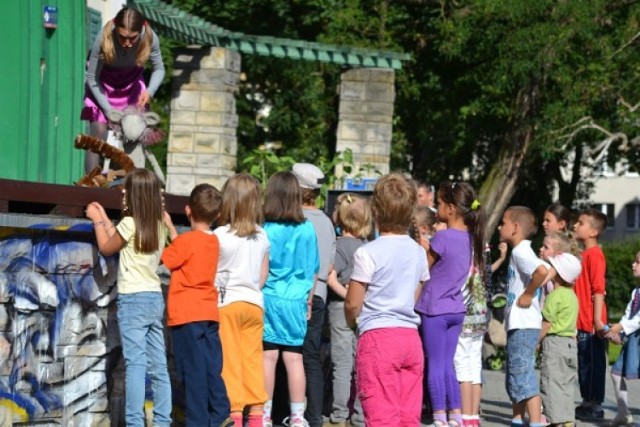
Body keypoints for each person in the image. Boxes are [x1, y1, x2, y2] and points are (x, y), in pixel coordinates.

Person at [85, 168, 171, 427]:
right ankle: (162, 421)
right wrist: (103, 217)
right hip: (154, 298)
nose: (122, 196)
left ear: (134, 196)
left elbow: (107, 246)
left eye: (125, 192)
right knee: (159, 365)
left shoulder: (130, 223)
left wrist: (96, 220)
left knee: (135, 364)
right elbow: (120, 238)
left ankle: (134, 422)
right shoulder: (157, 224)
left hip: (132, 300)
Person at [345, 173, 429, 426]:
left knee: (382, 416)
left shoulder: (368, 253)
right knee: (408, 417)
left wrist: (353, 323)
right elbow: (418, 289)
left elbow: (352, 303)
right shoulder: (418, 251)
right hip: (410, 338)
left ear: (376, 210)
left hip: (378, 338)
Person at [161, 184, 233, 427]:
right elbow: (185, 251)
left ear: (188, 210)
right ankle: (221, 413)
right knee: (210, 366)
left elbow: (168, 258)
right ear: (217, 215)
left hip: (185, 315)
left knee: (191, 372)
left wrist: (167, 228)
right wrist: (172, 229)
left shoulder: (186, 242)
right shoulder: (213, 242)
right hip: (208, 314)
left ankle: (198, 422)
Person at [415, 181, 486, 427]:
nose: (437, 209)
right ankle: (456, 415)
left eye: (440, 205)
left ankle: (438, 416)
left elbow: (424, 268)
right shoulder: (470, 238)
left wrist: (423, 246)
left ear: (452, 208)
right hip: (457, 309)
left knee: (435, 364)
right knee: (448, 364)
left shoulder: (443, 237)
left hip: (435, 308)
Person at [262, 171, 319, 427]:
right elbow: (313, 269)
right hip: (297, 300)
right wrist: (308, 300)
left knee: (268, 358)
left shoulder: (266, 229)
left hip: (270, 297)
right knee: (295, 359)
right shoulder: (307, 228)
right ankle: (297, 416)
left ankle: (263, 414)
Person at [213, 174, 271, 427]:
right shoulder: (262, 235)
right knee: (252, 359)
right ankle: (256, 414)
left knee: (231, 361)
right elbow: (263, 273)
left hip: (227, 304)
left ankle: (235, 415)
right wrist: (251, 288)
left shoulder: (220, 235)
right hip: (254, 303)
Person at [81, 7, 165, 172]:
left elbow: (159, 69)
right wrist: (108, 110)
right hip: (102, 87)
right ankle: (90, 187)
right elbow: (91, 78)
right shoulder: (103, 37)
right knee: (97, 133)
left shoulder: (150, 38)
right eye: (122, 37)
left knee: (132, 134)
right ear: (115, 29)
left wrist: (150, 91)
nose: (127, 44)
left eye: (132, 38)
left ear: (140, 31)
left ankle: (124, 187)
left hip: (132, 86)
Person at [291, 162, 336, 427]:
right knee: (311, 356)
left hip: (295, 293)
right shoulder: (327, 222)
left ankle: (286, 411)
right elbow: (328, 264)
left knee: (289, 353)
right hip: (319, 293)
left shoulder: (295, 219)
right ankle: (314, 415)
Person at [498, 206, 549, 427]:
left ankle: (536, 421)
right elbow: (545, 269)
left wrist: (528, 294)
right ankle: (518, 418)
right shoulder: (520, 251)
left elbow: (542, 272)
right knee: (516, 372)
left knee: (523, 373)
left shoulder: (521, 252)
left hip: (524, 324)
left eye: (503, 222)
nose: (500, 227)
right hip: (519, 324)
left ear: (515, 227)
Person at [326, 193, 371, 427]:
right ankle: (361, 415)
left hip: (339, 309)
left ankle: (339, 413)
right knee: (360, 364)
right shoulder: (368, 247)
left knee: (341, 363)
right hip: (364, 311)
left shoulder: (339, 246)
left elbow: (332, 278)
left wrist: (343, 291)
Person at [573, 208, 608, 421]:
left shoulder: (595, 255)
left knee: (593, 364)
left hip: (591, 322)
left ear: (593, 232)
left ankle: (595, 405)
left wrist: (597, 320)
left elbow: (598, 290)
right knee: (584, 363)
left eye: (581, 223)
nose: (576, 226)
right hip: (581, 321)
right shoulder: (582, 254)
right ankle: (586, 401)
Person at [538, 253, 581, 427]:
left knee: (551, 384)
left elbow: (547, 324)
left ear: (559, 273)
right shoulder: (572, 296)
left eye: (553, 266)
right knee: (566, 384)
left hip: (555, 343)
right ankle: (568, 419)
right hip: (570, 344)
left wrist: (536, 341)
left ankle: (554, 421)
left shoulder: (554, 296)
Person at [605, 251, 640, 427]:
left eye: (638, 262)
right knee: (616, 373)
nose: (633, 264)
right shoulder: (636, 291)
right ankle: (623, 412)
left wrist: (622, 328)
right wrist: (618, 333)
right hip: (634, 340)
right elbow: (628, 315)